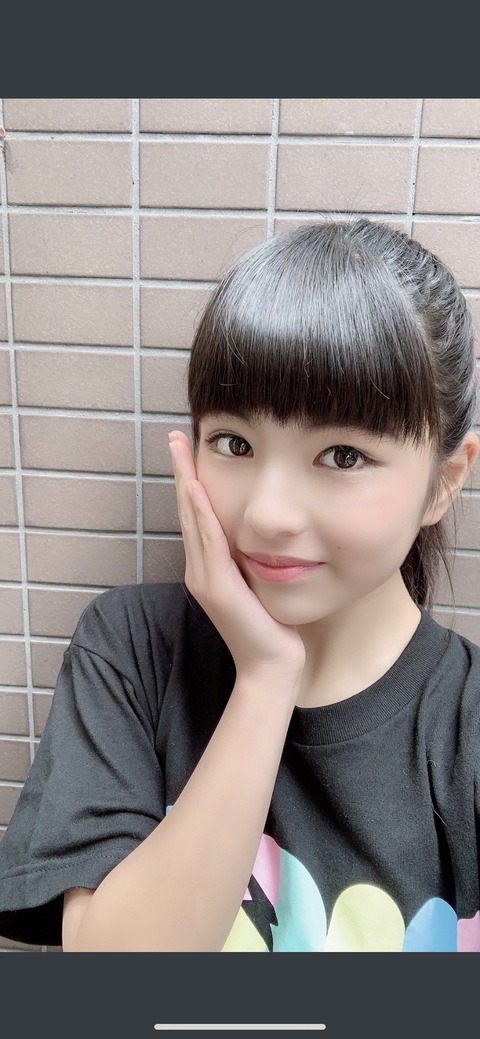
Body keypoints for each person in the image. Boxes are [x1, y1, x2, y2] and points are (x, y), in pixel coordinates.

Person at [0, 218, 479, 953]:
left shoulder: (465, 723)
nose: (266, 514)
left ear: (444, 481)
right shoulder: (133, 649)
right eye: (234, 443)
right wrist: (266, 676)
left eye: (343, 455)